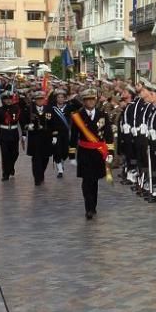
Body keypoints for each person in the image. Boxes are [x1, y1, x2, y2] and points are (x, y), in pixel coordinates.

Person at [68, 88, 115, 220]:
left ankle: (93, 206)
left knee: (94, 181)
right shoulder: (78, 116)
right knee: (86, 181)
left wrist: (110, 152)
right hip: (84, 152)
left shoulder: (102, 115)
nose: (90, 102)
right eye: (87, 100)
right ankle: (88, 208)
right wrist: (72, 155)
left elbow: (108, 135)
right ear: (84, 101)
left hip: (98, 152)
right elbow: (73, 137)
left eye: (92, 99)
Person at [0, 91, 23, 181]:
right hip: (3, 134)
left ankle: (11, 166)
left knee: (15, 153)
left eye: (10, 99)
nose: (8, 101)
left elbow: (20, 121)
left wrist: (24, 133)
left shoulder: (16, 109)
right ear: (3, 100)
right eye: (6, 99)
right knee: (5, 154)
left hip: (14, 133)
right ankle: (5, 173)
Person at [25, 91, 54, 186]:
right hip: (35, 137)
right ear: (35, 100)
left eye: (42, 99)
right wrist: (27, 127)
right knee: (36, 158)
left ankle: (41, 173)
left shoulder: (49, 109)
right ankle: (37, 178)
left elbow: (54, 123)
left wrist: (54, 135)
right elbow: (23, 121)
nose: (40, 101)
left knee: (45, 158)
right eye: (38, 99)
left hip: (46, 137)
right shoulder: (30, 109)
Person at [46, 89, 72, 178]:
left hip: (65, 133)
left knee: (65, 152)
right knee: (56, 151)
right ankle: (60, 170)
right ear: (56, 98)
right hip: (55, 133)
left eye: (62, 97)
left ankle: (62, 162)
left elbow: (78, 105)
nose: (60, 99)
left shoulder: (68, 107)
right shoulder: (52, 108)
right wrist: (51, 134)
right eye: (58, 97)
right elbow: (48, 121)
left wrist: (70, 99)